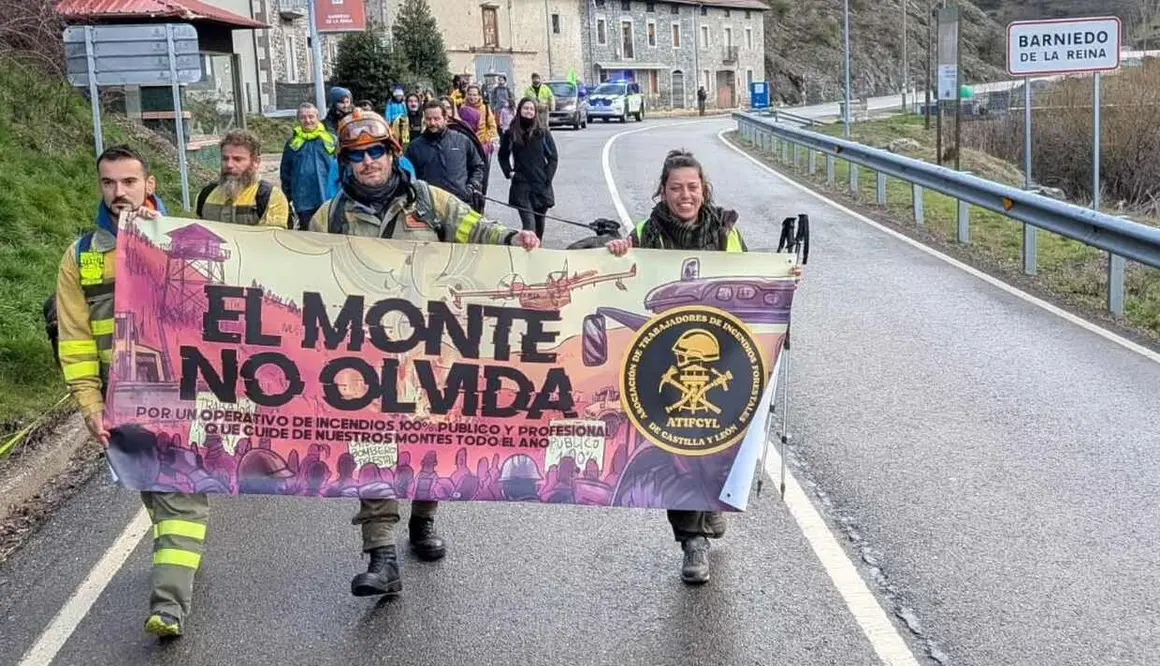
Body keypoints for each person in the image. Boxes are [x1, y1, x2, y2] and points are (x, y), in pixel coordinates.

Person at [308, 109, 541, 597]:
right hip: (364, 357)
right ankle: (382, 556)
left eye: (376, 152)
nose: (368, 162)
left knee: (428, 446)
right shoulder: (326, 219)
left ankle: (424, 519)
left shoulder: (430, 204)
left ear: (393, 153)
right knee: (374, 447)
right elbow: (295, 273)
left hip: (431, 349)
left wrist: (514, 239)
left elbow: (476, 230)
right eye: (356, 156)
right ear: (346, 163)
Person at [54, 145, 209, 638]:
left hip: (186, 396)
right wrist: (89, 405)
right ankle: (179, 563)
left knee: (181, 498)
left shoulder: (187, 242)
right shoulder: (81, 257)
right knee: (157, 494)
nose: (119, 192)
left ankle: (169, 605)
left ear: (150, 184)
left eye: (128, 181)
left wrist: (154, 241)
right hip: (123, 405)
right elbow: (75, 340)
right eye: (108, 183)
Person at [605, 149, 749, 585]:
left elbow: (751, 276)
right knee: (678, 449)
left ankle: (711, 508)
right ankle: (693, 540)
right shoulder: (648, 232)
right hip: (666, 359)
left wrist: (786, 277)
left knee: (715, 443)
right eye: (675, 188)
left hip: (722, 356)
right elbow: (626, 273)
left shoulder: (726, 232)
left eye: (692, 187)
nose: (685, 196)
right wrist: (618, 251)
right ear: (662, 191)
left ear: (704, 189)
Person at [196, 130, 290, 228]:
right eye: (225, 159)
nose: (229, 165)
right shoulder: (205, 194)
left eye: (237, 159)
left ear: (256, 162)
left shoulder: (271, 197)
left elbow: (270, 240)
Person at [405, 100, 486, 212]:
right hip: (430, 209)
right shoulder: (415, 147)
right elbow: (407, 176)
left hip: (461, 205)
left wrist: (471, 187)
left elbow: (478, 166)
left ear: (445, 118)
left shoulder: (462, 140)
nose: (432, 123)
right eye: (428, 119)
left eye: (436, 119)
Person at [498, 97, 558, 241]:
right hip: (521, 185)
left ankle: (538, 252)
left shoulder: (543, 133)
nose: (528, 111)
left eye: (531, 109)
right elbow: (503, 155)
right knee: (529, 225)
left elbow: (553, 157)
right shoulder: (510, 133)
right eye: (525, 108)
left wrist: (547, 177)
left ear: (535, 112)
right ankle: (528, 252)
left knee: (539, 225)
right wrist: (509, 172)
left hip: (541, 185)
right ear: (519, 110)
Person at [279, 102, 339, 230]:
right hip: (303, 201)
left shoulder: (330, 140)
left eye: (311, 116)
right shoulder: (293, 144)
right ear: (298, 120)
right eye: (303, 117)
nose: (307, 120)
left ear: (317, 117)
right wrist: (287, 197)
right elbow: (285, 172)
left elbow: (342, 166)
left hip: (328, 199)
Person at [457, 84, 499, 161]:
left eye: (475, 95)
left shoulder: (485, 108)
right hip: (467, 147)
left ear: (479, 96)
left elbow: (492, 126)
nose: (472, 97)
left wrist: (487, 139)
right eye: (470, 94)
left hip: (482, 146)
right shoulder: (462, 108)